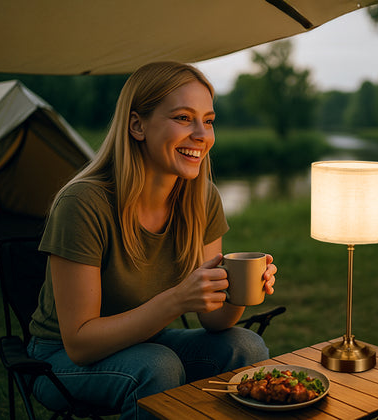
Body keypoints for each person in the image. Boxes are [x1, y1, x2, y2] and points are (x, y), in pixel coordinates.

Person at [27, 61, 277, 419]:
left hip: (146, 342)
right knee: (157, 366)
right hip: (58, 359)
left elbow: (214, 321)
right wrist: (176, 300)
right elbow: (80, 344)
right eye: (182, 118)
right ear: (137, 125)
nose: (202, 134)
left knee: (245, 346)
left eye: (208, 120)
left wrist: (239, 291)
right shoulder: (84, 203)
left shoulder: (202, 198)